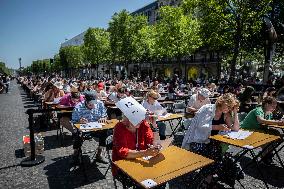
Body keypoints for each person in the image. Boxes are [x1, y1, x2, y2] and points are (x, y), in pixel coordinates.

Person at [182, 93, 240, 187]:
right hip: (198, 140)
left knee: (220, 157)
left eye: (230, 107)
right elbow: (200, 126)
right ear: (222, 102)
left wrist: (235, 112)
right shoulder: (207, 108)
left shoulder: (226, 114)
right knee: (213, 158)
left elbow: (235, 129)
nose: (228, 109)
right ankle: (204, 180)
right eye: (228, 106)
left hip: (212, 141)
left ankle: (206, 180)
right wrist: (218, 127)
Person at [112, 115, 162, 188]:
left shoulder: (143, 124)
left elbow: (152, 141)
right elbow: (123, 152)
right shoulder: (119, 127)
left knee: (160, 180)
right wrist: (145, 153)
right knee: (144, 184)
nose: (141, 121)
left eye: (141, 118)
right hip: (123, 164)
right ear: (127, 118)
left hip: (142, 162)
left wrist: (154, 126)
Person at [71, 91, 109, 164]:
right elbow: (73, 122)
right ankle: (76, 152)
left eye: (95, 104)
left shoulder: (100, 104)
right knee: (77, 133)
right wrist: (79, 121)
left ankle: (99, 154)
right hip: (84, 130)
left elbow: (105, 115)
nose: (93, 106)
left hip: (97, 128)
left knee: (105, 131)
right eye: (90, 105)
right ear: (86, 102)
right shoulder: (78, 107)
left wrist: (103, 118)